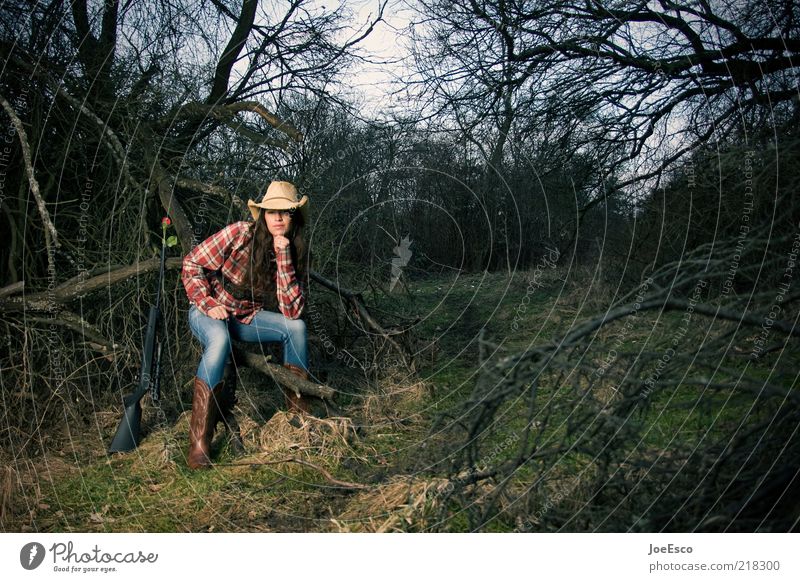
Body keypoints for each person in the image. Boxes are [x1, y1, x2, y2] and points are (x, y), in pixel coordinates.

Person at [181, 180, 312, 469]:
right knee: (219, 341)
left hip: (244, 318)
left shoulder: (295, 251)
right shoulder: (239, 234)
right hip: (207, 312)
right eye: (271, 212)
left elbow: (291, 312)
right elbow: (192, 264)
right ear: (262, 215)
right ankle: (200, 442)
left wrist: (284, 258)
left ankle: (299, 421)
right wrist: (208, 303)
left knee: (297, 328)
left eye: (285, 212)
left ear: (294, 217)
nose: (277, 218)